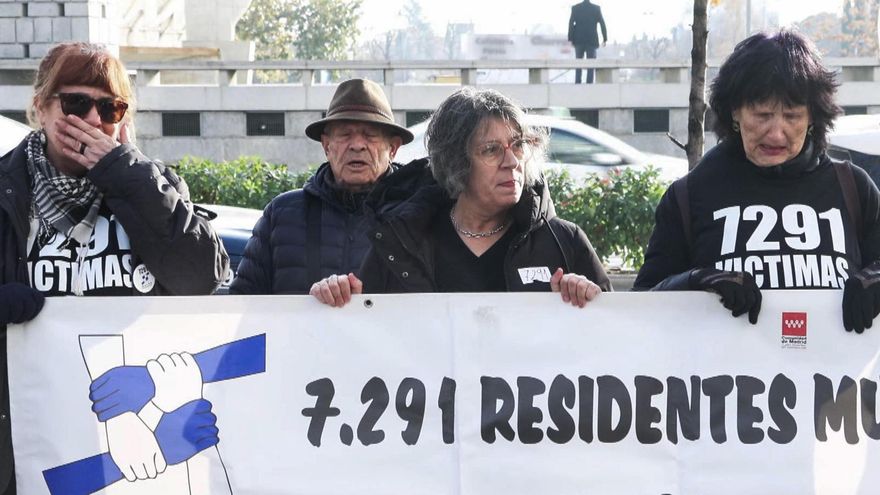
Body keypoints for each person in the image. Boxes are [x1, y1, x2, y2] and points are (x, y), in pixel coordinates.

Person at [0, 42, 229, 494]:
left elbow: (202, 275)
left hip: (138, 446)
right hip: (25, 441)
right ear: (40, 107)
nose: (91, 120)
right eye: (76, 103)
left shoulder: (151, 183)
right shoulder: (4, 189)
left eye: (110, 108)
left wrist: (121, 170)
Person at [634, 30, 880, 334]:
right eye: (762, 115)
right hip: (722, 379)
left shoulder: (854, 188)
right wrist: (693, 281)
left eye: (792, 117)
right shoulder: (689, 195)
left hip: (839, 379)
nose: (776, 133)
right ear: (735, 112)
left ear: (813, 118)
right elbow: (641, 307)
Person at [310, 87, 611, 307]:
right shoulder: (402, 241)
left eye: (518, 146)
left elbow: (616, 341)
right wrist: (336, 299)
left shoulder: (564, 241)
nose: (512, 162)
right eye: (491, 150)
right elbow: (362, 339)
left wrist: (589, 301)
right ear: (456, 163)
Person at [229, 78, 413, 295]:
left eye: (369, 135)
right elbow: (243, 305)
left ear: (392, 148)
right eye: (345, 134)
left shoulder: (418, 214)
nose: (356, 145)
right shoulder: (281, 214)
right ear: (327, 145)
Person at [567, 0, 607, 84]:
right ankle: (589, 84)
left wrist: (570, 39)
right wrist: (605, 38)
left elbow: (571, 23)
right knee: (591, 64)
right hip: (591, 40)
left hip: (578, 40)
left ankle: (578, 82)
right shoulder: (596, 9)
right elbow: (602, 24)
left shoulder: (575, 8)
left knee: (578, 63)